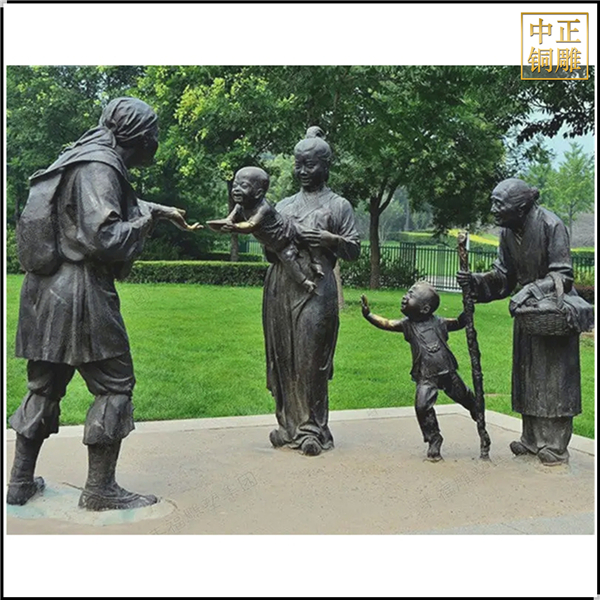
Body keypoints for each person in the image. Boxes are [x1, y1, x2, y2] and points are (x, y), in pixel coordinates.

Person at [8, 97, 201, 510]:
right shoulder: (101, 166)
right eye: (154, 133)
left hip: (44, 292)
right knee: (115, 385)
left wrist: (157, 209)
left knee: (43, 387)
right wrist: (145, 223)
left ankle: (19, 482)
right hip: (81, 294)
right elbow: (104, 237)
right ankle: (100, 490)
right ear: (140, 136)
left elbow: (90, 213)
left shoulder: (75, 158)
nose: (156, 141)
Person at [457, 178, 594, 466]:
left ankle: (556, 446)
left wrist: (530, 290)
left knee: (554, 380)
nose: (493, 210)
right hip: (527, 314)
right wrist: (476, 282)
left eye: (499, 204)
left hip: (553, 311)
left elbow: (563, 275)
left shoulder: (551, 225)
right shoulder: (507, 233)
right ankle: (531, 439)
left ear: (520, 207)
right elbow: (504, 276)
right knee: (527, 375)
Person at [264, 127, 360, 456]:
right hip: (281, 287)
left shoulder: (339, 205)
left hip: (317, 289)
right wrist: (278, 243)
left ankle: (313, 429)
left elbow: (353, 249)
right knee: (285, 357)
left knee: (311, 359)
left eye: (310, 165)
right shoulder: (285, 204)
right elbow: (269, 250)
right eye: (298, 164)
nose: (303, 171)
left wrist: (331, 240)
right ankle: (288, 425)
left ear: (325, 166)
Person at [361, 282, 479, 461]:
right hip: (425, 376)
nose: (405, 297)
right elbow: (387, 324)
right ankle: (434, 438)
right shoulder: (407, 325)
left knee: (464, 396)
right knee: (422, 406)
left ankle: (476, 409)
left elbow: (459, 322)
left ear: (425, 309)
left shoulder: (439, 322)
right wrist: (369, 315)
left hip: (447, 372)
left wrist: (468, 308)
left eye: (411, 295)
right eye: (407, 293)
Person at [207, 166, 323, 294]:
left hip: (288, 229)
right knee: (288, 259)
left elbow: (251, 226)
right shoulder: (239, 206)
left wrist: (234, 227)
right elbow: (229, 220)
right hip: (278, 245)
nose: (236, 190)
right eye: (235, 186)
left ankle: (316, 263)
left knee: (310, 236)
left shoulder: (263, 208)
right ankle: (305, 282)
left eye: (243, 186)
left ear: (258, 193)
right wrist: (221, 225)